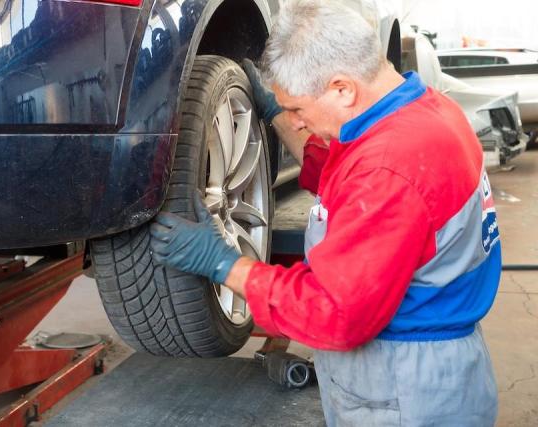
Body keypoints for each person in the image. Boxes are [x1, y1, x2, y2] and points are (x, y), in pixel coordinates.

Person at [148, 1, 500, 425]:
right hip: (430, 366)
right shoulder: (425, 110)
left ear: (342, 88)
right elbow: (342, 170)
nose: (296, 123)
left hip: (405, 387)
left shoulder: (390, 167)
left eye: (298, 109)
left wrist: (224, 264)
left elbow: (335, 313)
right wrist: (277, 113)